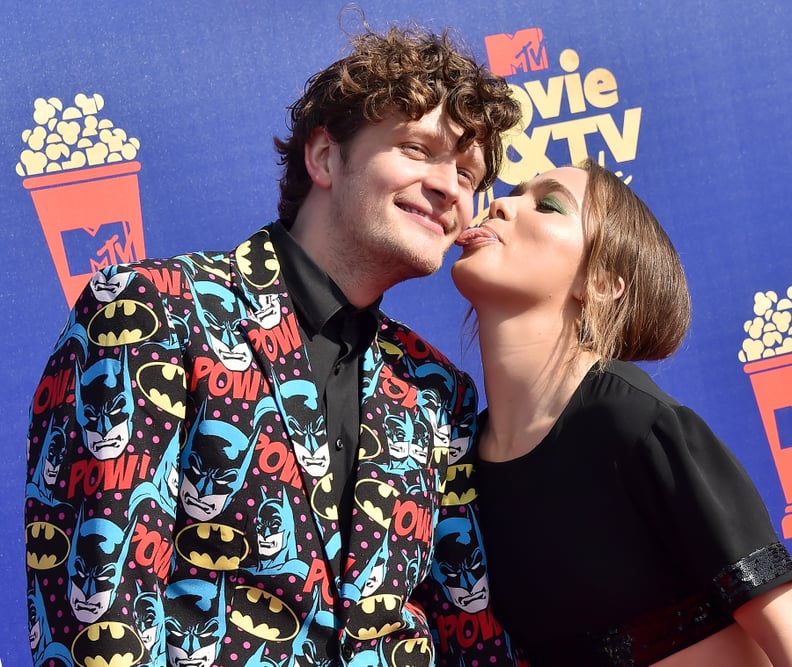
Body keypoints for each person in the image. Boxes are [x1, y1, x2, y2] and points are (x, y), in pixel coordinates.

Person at [24, 20, 525, 667]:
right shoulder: (155, 309)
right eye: (418, 148)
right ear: (324, 157)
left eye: (467, 172)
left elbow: (470, 629)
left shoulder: (436, 389)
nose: (450, 186)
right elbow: (97, 615)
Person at [451, 157, 792, 667]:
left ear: (602, 281)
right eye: (511, 192)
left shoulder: (637, 424)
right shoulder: (459, 461)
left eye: (546, 205)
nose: (499, 203)